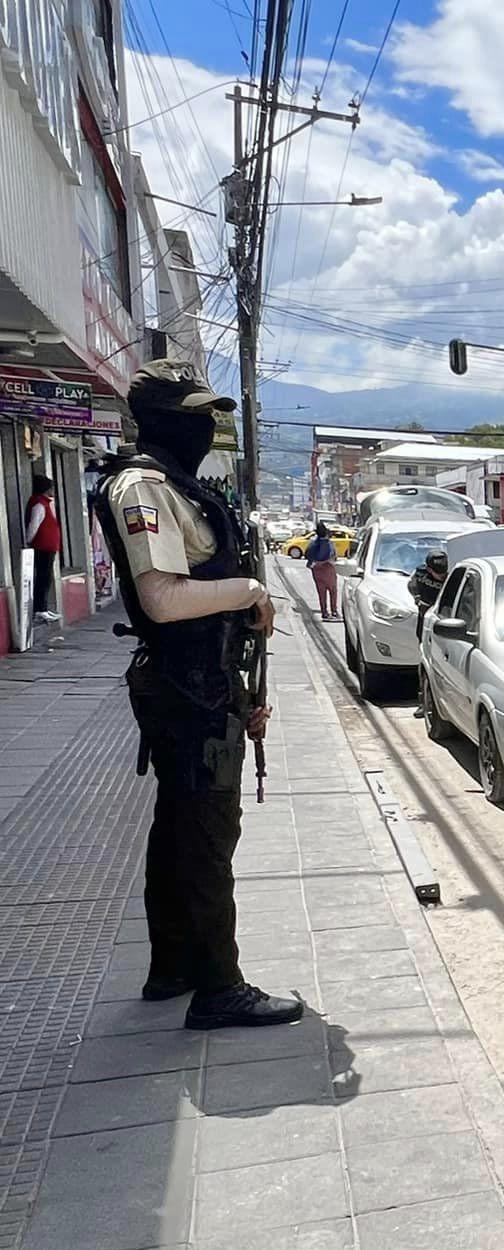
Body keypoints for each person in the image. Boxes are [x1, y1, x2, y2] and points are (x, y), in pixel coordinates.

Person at [92, 360, 303, 1029]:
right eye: (197, 416)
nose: (207, 428)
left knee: (181, 827)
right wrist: (250, 592)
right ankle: (219, 986)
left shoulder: (172, 484)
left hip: (205, 681)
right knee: (207, 834)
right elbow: (161, 599)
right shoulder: (142, 486)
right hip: (185, 688)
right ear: (161, 421)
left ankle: (174, 965)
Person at [25, 473, 60, 621]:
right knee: (42, 578)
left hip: (48, 547)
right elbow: (34, 526)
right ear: (46, 489)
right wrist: (29, 541)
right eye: (51, 488)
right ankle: (40, 609)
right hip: (42, 547)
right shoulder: (39, 504)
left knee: (46, 578)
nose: (53, 491)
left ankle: (43, 607)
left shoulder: (44, 503)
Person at [307, 521, 339, 620]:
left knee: (321, 593)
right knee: (333, 591)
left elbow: (307, 554)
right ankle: (334, 611)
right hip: (328, 568)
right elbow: (334, 556)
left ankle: (324, 612)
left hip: (316, 570)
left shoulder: (312, 542)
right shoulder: (329, 543)